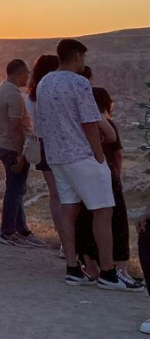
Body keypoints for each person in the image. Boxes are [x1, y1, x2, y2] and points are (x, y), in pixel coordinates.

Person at [35, 39, 136, 289]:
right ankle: (108, 272)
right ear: (78, 56)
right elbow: (89, 122)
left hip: (57, 156)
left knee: (69, 210)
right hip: (82, 156)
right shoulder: (79, 83)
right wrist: (99, 156)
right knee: (103, 210)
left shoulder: (44, 82)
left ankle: (73, 268)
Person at [75, 87, 140, 287]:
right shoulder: (107, 125)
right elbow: (117, 153)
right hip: (107, 177)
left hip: (84, 178)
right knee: (117, 223)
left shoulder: (79, 126)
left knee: (85, 221)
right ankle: (120, 269)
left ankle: (90, 266)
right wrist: (117, 176)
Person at [0, 59, 45, 248]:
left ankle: (21, 229)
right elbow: (15, 128)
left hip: (3, 144)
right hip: (12, 147)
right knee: (14, 190)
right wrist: (21, 154)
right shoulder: (13, 95)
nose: (28, 77)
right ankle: (8, 232)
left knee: (17, 189)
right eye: (27, 73)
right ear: (20, 73)